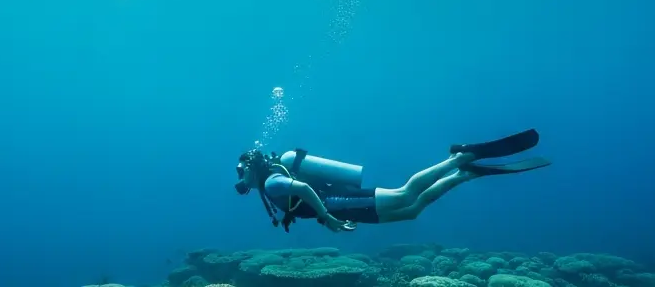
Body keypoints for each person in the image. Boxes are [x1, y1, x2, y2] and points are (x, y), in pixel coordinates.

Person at [234, 129, 551, 233]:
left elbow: (302, 188)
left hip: (338, 203)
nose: (241, 179)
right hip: (341, 207)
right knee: (411, 211)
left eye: (240, 172)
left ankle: (459, 157)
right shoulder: (270, 182)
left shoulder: (272, 183)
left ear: (251, 168)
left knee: (405, 193)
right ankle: (462, 175)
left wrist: (327, 217)